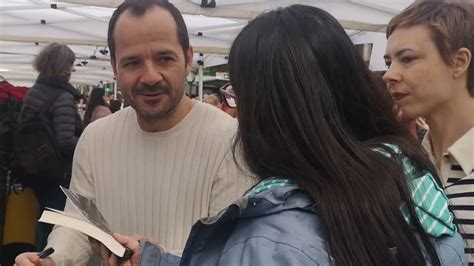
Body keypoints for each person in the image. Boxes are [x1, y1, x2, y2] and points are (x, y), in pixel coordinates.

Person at [114, 5, 465, 266]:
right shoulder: (415, 185)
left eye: (239, 93)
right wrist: (155, 260)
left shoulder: (272, 237)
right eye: (131, 62)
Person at [14, 1, 252, 265]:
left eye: (164, 58)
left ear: (187, 59)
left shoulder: (231, 141)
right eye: (132, 62)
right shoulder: (95, 139)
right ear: (115, 67)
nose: (150, 76)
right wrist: (52, 259)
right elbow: (79, 223)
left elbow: (229, 252)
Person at [383, 1, 474, 263]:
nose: (389, 74)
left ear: (458, 62)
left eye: (407, 59)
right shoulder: (399, 165)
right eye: (388, 62)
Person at [15, 43, 83, 251]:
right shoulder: (61, 96)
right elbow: (65, 142)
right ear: (64, 66)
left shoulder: (36, 91)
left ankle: (37, 256)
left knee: (44, 218)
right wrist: (88, 141)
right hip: (55, 172)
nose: (72, 70)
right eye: (71, 65)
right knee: (57, 226)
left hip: (34, 167)